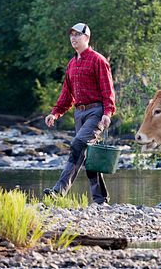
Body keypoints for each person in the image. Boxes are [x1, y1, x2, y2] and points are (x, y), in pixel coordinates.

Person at [43, 22, 116, 204]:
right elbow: (66, 94)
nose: (73, 38)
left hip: (96, 112)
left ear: (87, 38)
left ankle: (59, 192)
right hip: (79, 113)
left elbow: (108, 91)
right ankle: (101, 200)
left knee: (77, 144)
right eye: (72, 35)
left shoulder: (99, 60)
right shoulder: (71, 64)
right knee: (87, 155)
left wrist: (107, 113)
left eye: (77, 35)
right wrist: (55, 113)